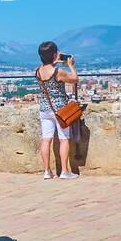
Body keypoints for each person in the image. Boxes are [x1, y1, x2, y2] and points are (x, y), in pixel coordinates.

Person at [34, 42, 80, 180]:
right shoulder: (58, 72)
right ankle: (65, 171)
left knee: (46, 140)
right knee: (64, 139)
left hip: (45, 108)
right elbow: (75, 79)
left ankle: (47, 171)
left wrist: (54, 60)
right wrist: (70, 65)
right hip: (60, 110)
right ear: (54, 55)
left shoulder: (38, 71)